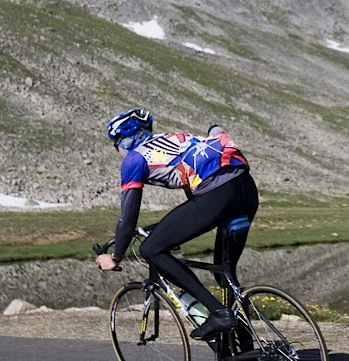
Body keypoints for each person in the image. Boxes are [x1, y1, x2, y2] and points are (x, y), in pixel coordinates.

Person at [94, 108, 258, 343]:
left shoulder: (134, 159)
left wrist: (116, 256)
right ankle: (247, 354)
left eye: (115, 145)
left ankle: (218, 313)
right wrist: (161, 229)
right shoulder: (174, 140)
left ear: (125, 141)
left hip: (218, 194)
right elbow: (192, 209)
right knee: (225, 273)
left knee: (151, 249)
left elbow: (128, 216)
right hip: (246, 190)